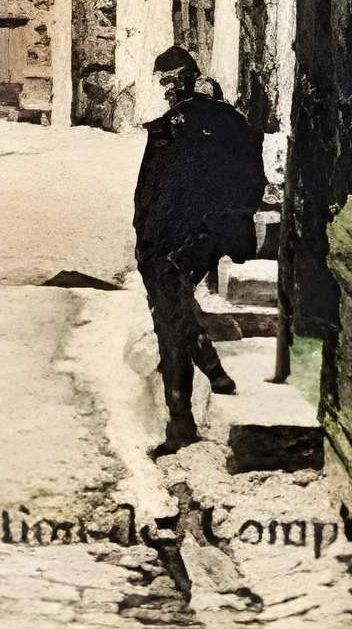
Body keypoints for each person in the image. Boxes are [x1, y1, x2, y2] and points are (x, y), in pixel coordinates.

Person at [135, 46, 262, 456]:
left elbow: (149, 195)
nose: (167, 89)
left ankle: (181, 424)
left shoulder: (169, 128)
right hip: (210, 238)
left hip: (169, 243)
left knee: (168, 323)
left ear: (178, 81)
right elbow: (252, 183)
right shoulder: (233, 122)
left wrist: (147, 244)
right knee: (176, 308)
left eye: (168, 80)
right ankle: (210, 366)